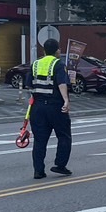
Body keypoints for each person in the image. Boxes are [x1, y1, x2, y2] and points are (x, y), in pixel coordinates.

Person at [29, 38, 72, 178]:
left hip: (37, 107)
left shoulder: (35, 64)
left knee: (40, 140)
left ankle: (38, 170)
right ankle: (60, 165)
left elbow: (29, 83)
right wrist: (66, 100)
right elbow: (61, 83)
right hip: (55, 107)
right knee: (64, 136)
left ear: (44, 50)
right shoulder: (58, 64)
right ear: (57, 51)